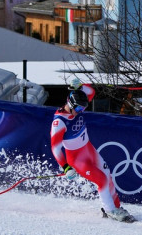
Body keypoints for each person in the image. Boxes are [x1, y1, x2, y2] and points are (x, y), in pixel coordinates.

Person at [50, 90, 132, 222]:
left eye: (83, 108)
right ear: (70, 104)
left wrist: (78, 86)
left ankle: (116, 207)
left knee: (107, 175)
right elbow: (55, 149)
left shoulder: (78, 104)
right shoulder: (59, 122)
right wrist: (66, 167)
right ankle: (110, 211)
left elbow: (91, 90)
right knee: (101, 180)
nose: (80, 110)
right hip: (77, 159)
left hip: (89, 150)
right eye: (78, 108)